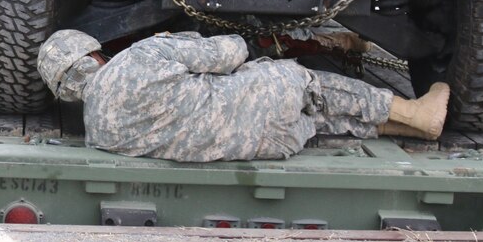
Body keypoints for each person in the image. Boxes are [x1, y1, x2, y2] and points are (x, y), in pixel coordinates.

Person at [37, 29, 450, 162]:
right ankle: (414, 113)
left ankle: (401, 127)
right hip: (266, 108)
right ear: (92, 53)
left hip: (271, 145)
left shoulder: (96, 133)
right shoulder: (139, 56)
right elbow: (230, 53)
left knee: (315, 118)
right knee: (308, 85)